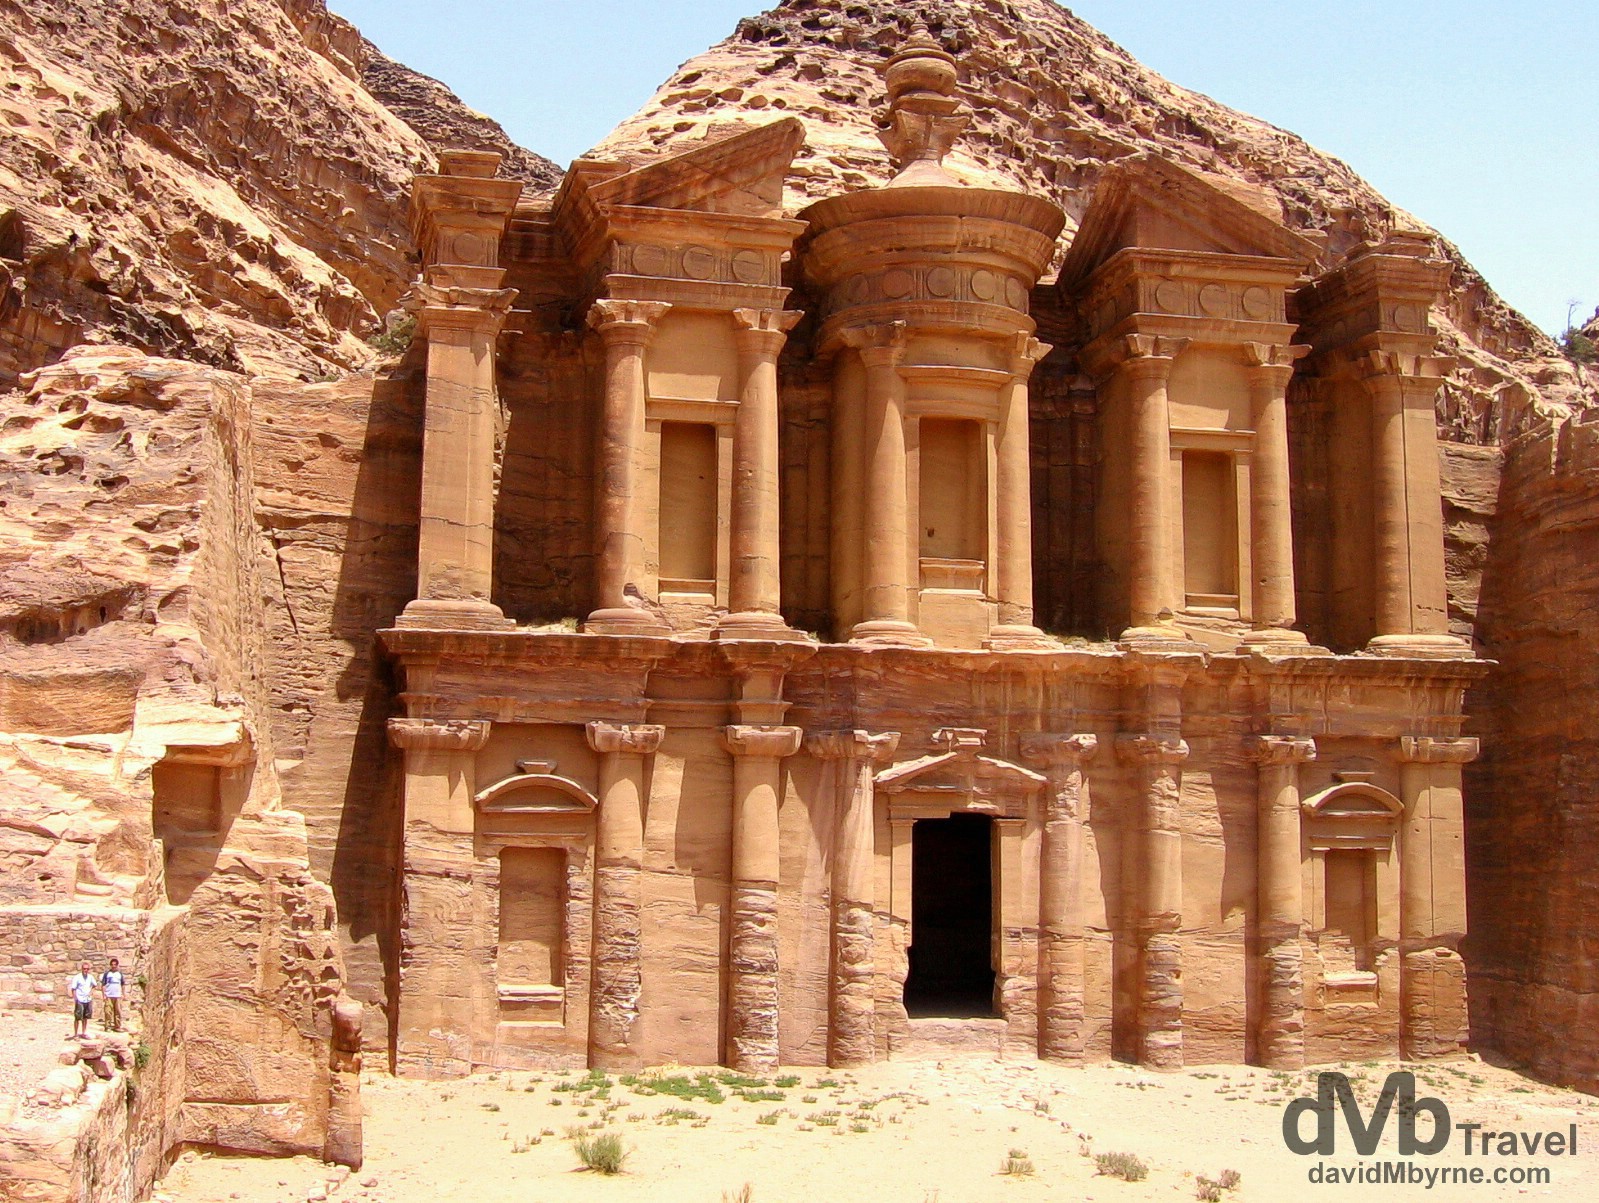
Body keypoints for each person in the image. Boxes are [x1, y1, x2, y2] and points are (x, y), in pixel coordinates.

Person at [67, 960, 97, 1038]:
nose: (85, 970)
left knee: (85, 1017)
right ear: (82, 969)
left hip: (87, 999)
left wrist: (91, 992)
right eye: (84, 969)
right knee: (77, 1017)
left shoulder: (90, 977)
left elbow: (94, 985)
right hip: (79, 999)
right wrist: (75, 998)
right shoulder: (77, 977)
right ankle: (76, 1034)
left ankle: (84, 1032)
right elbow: (73, 988)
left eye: (87, 969)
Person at [101, 958, 125, 1032]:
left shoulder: (120, 974)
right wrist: (104, 994)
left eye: (115, 965)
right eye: (112, 965)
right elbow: (103, 985)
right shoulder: (107, 974)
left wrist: (123, 994)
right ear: (110, 965)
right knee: (108, 1011)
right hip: (109, 995)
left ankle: (117, 1026)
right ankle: (107, 1026)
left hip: (117, 995)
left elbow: (123, 984)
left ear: (117, 965)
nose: (113, 966)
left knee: (118, 1012)